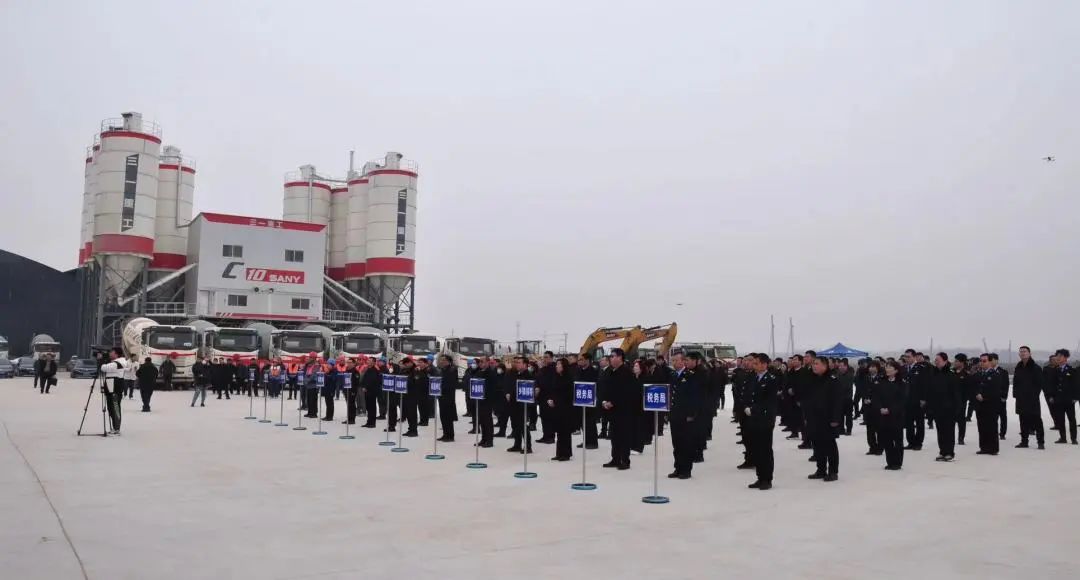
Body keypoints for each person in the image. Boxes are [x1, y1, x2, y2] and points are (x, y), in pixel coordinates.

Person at [743, 353, 778, 490]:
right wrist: (746, 406)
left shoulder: (771, 379)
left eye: (756, 363)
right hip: (753, 418)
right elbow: (748, 395)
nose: (754, 365)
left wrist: (753, 409)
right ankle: (760, 477)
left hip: (765, 419)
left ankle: (767, 479)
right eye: (754, 363)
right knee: (756, 449)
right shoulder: (754, 378)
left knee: (765, 450)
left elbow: (769, 401)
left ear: (764, 364)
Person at [805, 357, 842, 481]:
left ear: (824, 366)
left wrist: (835, 418)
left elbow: (837, 401)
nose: (814, 366)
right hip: (814, 418)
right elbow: (808, 399)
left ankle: (833, 471)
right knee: (817, 445)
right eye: (813, 364)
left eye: (817, 364)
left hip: (828, 418)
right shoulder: (812, 379)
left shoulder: (832, 380)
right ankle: (821, 470)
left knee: (829, 445)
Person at [601, 349, 638, 470]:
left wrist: (613, 402)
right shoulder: (611, 372)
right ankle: (615, 459)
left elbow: (627, 393)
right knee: (614, 436)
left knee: (624, 436)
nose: (611, 359)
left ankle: (625, 460)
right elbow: (607, 389)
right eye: (610, 357)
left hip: (624, 410)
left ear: (620, 357)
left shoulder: (627, 373)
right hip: (612, 410)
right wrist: (605, 401)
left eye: (613, 356)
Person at [668, 351, 700, 479]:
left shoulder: (691, 375)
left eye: (676, 360)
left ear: (683, 361)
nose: (674, 363)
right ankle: (678, 467)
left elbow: (695, 396)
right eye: (673, 360)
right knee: (676, 443)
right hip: (674, 414)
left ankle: (686, 470)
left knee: (686, 443)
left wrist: (692, 414)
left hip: (686, 415)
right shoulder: (672, 375)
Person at [928, 353, 963, 461]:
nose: (936, 362)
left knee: (949, 431)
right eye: (935, 360)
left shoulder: (951, 375)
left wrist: (957, 408)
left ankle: (949, 452)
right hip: (937, 408)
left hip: (949, 408)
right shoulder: (933, 374)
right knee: (940, 431)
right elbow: (930, 391)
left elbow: (956, 393)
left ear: (945, 361)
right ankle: (942, 451)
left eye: (938, 360)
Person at [875, 361, 907, 470]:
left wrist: (890, 410)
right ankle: (890, 462)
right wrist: (880, 408)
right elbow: (877, 397)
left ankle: (897, 462)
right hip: (883, 416)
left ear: (896, 370)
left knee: (897, 440)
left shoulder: (901, 384)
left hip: (896, 416)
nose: (887, 369)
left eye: (890, 368)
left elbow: (902, 401)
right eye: (887, 367)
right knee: (887, 440)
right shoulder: (882, 382)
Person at [1012, 346, 1045, 449]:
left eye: (1025, 351)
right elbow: (1015, 382)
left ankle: (1040, 442)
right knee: (1023, 420)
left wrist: (1034, 395)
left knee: (1037, 421)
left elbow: (1039, 384)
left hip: (1032, 399)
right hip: (1021, 398)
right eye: (1021, 352)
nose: (1022, 353)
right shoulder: (1018, 367)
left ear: (1030, 353)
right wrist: (1015, 394)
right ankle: (1024, 441)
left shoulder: (1036, 368)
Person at [1047, 349, 1077, 445]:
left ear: (1066, 357)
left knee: (1072, 419)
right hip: (1058, 399)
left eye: (1060, 356)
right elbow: (1051, 385)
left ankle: (1073, 438)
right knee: (1060, 419)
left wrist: (1075, 397)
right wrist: (1051, 396)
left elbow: (1076, 385)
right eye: (1057, 356)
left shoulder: (1072, 370)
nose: (1058, 358)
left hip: (1069, 399)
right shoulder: (1055, 370)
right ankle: (1063, 438)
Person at [974, 354, 1002, 455]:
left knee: (991, 427)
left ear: (990, 362)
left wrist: (984, 397)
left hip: (991, 405)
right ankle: (984, 447)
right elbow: (974, 386)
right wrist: (977, 394)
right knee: (981, 427)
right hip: (979, 405)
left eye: (984, 361)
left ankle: (993, 448)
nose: (982, 363)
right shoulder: (978, 374)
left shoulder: (995, 374)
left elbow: (996, 390)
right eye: (981, 361)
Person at [505, 357, 533, 453]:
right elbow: (511, 386)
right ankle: (517, 444)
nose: (517, 364)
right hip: (514, 404)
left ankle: (528, 446)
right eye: (516, 362)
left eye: (519, 362)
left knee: (524, 426)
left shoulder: (529, 376)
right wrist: (508, 393)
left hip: (523, 405)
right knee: (515, 425)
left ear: (525, 365)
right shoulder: (515, 374)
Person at [549, 357, 574, 461]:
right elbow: (553, 391)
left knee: (565, 431)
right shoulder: (556, 377)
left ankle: (566, 453)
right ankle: (559, 453)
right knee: (559, 431)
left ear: (564, 366)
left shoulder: (568, 378)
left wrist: (556, 400)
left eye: (559, 364)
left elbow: (568, 394)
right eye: (556, 364)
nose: (557, 366)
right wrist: (551, 399)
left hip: (566, 408)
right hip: (557, 408)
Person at [902, 350, 927, 451]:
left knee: (919, 422)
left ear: (914, 357)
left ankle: (918, 442)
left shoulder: (921, 368)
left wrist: (923, 398)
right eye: (905, 357)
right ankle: (911, 442)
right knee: (908, 422)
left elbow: (925, 385)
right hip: (907, 400)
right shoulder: (904, 368)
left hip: (918, 400)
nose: (906, 358)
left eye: (908, 356)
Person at [99, 348, 128, 433]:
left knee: (115, 407)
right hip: (111, 388)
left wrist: (101, 360)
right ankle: (115, 428)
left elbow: (104, 368)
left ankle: (116, 428)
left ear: (116, 354)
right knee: (111, 407)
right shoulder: (115, 362)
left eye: (111, 352)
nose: (110, 353)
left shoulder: (119, 363)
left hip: (115, 389)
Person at [574, 353, 599, 449]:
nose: (579, 361)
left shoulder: (593, 371)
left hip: (590, 399)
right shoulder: (579, 370)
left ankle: (593, 442)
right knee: (583, 421)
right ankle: (586, 441)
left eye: (581, 359)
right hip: (580, 399)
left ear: (587, 360)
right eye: (579, 360)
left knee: (590, 422)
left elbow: (595, 384)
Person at [436, 354, 460, 442]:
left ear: (449, 361)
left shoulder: (452, 370)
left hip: (448, 397)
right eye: (441, 360)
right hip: (441, 396)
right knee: (443, 416)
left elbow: (451, 383)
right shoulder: (442, 370)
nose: (442, 362)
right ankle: (445, 434)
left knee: (448, 417)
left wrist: (441, 387)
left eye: (444, 360)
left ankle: (450, 436)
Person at [861, 361, 883, 455]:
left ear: (877, 368)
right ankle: (872, 447)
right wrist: (865, 399)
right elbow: (862, 390)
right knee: (870, 429)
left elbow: (881, 393)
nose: (871, 369)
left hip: (877, 407)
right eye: (870, 367)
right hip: (868, 407)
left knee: (879, 429)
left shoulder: (881, 378)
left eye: (874, 367)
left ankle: (880, 448)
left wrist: (873, 401)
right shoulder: (866, 378)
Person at [535, 351, 557, 444]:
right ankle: (545, 435)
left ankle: (551, 437)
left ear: (551, 358)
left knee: (550, 417)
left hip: (550, 396)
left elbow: (551, 383)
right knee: (543, 417)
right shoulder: (542, 369)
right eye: (544, 357)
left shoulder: (554, 368)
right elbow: (538, 379)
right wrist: (537, 387)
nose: (544, 359)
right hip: (542, 396)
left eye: (547, 357)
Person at [988, 353, 1009, 440]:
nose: (990, 362)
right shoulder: (987, 371)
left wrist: (1004, 396)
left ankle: (1002, 433)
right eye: (989, 360)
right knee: (992, 416)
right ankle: (993, 432)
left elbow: (1006, 385)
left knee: (1002, 416)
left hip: (1000, 398)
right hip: (990, 398)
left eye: (991, 360)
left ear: (996, 360)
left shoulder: (1003, 372)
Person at [835, 359, 855, 435]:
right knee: (840, 415)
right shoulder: (837, 374)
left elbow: (847, 386)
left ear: (846, 366)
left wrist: (838, 389)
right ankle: (841, 429)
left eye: (842, 366)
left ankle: (849, 430)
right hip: (839, 399)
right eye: (839, 366)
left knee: (848, 416)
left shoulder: (850, 375)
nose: (840, 367)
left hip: (847, 398)